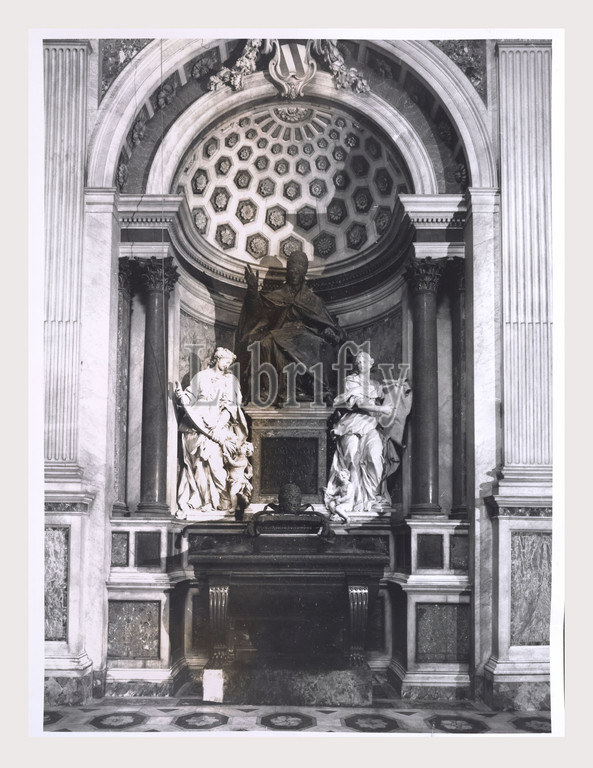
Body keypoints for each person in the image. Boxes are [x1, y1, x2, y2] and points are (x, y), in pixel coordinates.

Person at [236, 250, 343, 405]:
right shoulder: (278, 294)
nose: (293, 273)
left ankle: (313, 389)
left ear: (303, 273)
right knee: (265, 343)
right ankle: (271, 390)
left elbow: (326, 322)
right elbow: (258, 313)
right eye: (291, 270)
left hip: (304, 332)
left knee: (317, 344)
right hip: (281, 331)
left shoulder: (312, 299)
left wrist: (328, 329)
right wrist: (253, 290)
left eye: (297, 271)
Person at [326, 350, 411, 515]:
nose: (360, 364)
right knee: (352, 456)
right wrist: (381, 409)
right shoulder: (350, 381)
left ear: (371, 363)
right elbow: (360, 403)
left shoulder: (376, 385)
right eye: (358, 362)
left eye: (364, 361)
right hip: (351, 424)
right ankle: (352, 499)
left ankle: (372, 497)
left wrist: (399, 387)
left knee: (374, 456)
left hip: (371, 425)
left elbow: (387, 393)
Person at [174, 347, 250, 516]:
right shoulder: (201, 377)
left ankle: (224, 500)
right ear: (217, 358)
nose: (227, 365)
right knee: (198, 464)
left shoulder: (230, 381)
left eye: (230, 362)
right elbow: (190, 398)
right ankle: (205, 501)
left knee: (216, 465)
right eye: (226, 361)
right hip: (195, 425)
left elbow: (231, 408)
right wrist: (181, 395)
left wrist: (217, 427)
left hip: (217, 425)